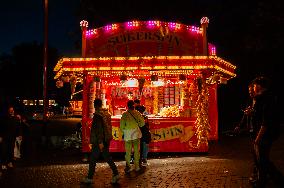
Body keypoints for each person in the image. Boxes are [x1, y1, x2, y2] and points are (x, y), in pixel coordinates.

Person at [248, 76, 281, 187]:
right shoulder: (261, 98)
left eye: (255, 85)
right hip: (262, 133)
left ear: (260, 86)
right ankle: (267, 179)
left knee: (262, 160)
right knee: (262, 159)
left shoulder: (267, 99)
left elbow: (265, 121)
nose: (253, 87)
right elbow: (259, 117)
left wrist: (258, 138)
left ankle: (270, 180)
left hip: (264, 134)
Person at [81, 98, 119, 184]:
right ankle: (116, 174)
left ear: (95, 105)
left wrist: (100, 142)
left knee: (93, 159)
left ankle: (90, 178)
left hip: (99, 141)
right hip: (106, 139)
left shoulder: (98, 115)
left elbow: (99, 130)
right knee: (107, 157)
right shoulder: (107, 114)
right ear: (101, 104)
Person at [120, 100, 145, 173]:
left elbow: (121, 126)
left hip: (128, 135)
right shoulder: (137, 113)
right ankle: (137, 167)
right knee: (137, 151)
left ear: (127, 106)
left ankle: (128, 167)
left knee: (128, 152)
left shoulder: (124, 114)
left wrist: (124, 131)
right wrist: (138, 125)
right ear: (133, 105)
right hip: (136, 134)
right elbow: (142, 123)